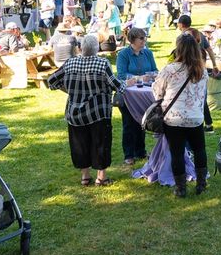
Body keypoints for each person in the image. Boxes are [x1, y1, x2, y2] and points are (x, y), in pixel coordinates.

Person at [48, 36, 125, 187]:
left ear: (81, 48)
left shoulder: (70, 62)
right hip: (98, 112)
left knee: (79, 144)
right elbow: (117, 86)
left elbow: (51, 81)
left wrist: (70, 91)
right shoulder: (102, 63)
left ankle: (85, 176)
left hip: (75, 113)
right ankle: (101, 177)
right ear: (97, 48)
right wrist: (128, 83)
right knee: (100, 143)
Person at [153, 34, 209, 198]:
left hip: (174, 118)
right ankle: (201, 184)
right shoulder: (202, 71)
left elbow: (157, 92)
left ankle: (181, 188)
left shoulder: (170, 69)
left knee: (176, 153)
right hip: (195, 117)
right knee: (200, 150)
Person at [114, 28, 157, 165]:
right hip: (128, 94)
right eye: (141, 38)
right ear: (132, 40)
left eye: (145, 38)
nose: (144, 41)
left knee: (142, 121)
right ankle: (129, 154)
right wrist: (140, 78)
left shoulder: (148, 53)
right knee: (129, 123)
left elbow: (155, 70)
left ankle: (141, 151)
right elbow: (121, 75)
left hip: (145, 93)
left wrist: (152, 75)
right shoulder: (123, 54)